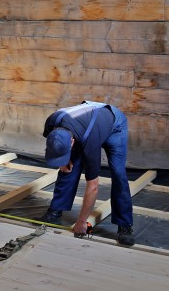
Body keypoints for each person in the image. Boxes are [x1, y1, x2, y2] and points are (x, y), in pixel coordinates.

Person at [41, 100, 135, 246]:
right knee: (69, 167)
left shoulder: (90, 144)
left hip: (115, 125)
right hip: (87, 122)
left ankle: (124, 224)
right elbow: (56, 145)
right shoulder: (52, 122)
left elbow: (93, 186)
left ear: (72, 142)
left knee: (118, 173)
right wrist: (64, 160)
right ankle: (55, 212)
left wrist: (82, 222)